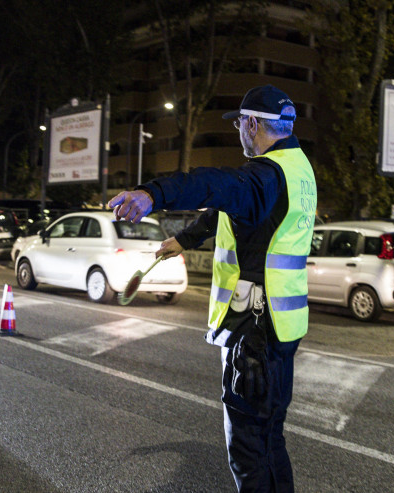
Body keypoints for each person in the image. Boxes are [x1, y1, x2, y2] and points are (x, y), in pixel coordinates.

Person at [109, 84, 316, 492]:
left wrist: (152, 194)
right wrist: (184, 239)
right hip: (280, 328)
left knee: (249, 448)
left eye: (241, 122)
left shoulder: (262, 176)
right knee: (270, 439)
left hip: (253, 330)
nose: (239, 129)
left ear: (253, 123)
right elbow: (227, 209)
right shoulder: (297, 168)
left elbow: (214, 186)